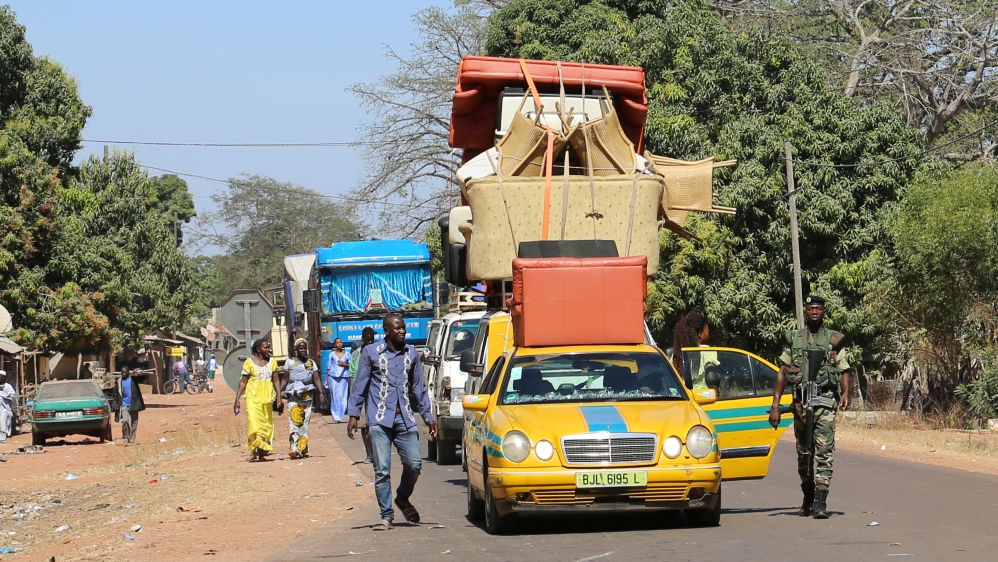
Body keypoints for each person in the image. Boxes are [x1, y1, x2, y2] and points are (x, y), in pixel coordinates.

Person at [347, 315, 437, 531]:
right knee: (382, 470)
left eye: (404, 327)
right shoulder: (371, 353)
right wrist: (353, 414)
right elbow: (360, 385)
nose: (402, 331)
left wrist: (428, 416)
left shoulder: (412, 353)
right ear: (386, 330)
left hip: (404, 417)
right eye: (398, 328)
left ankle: (403, 498)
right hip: (379, 419)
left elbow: (419, 388)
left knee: (414, 464)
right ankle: (386, 516)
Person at [768, 295, 852, 519]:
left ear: (824, 311)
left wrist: (845, 393)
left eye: (818, 308)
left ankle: (820, 502)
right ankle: (808, 496)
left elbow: (844, 369)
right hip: (800, 406)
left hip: (824, 404)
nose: (814, 311)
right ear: (805, 311)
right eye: (810, 308)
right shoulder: (795, 339)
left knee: (824, 454)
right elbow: (783, 372)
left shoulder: (833, 340)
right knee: (803, 454)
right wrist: (775, 405)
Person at [234, 339, 283, 461]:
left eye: (268, 347)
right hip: (253, 397)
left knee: (266, 425)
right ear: (257, 349)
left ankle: (261, 452)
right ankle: (253, 450)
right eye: (265, 347)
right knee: (254, 424)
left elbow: (276, 380)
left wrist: (279, 396)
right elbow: (243, 382)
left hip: (267, 398)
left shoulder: (272, 362)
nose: (268, 349)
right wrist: (237, 399)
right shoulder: (249, 363)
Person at [283, 338, 322, 459]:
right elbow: (285, 379)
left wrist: (321, 393)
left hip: (307, 398)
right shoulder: (289, 363)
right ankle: (294, 449)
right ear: (296, 349)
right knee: (294, 422)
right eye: (301, 348)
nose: (303, 350)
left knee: (304, 424)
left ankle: (303, 448)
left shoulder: (311, 363)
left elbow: (316, 379)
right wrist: (279, 393)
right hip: (293, 398)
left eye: (305, 348)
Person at [671, 311, 719, 390]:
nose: (709, 335)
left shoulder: (676, 354)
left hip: (683, 397)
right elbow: (711, 377)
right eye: (708, 332)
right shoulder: (706, 350)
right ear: (700, 333)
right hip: (703, 397)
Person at [351, 327, 378, 463]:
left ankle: (378, 452)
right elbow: (352, 376)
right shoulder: (356, 355)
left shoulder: (379, 352)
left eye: (372, 340)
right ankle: (369, 454)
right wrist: (353, 397)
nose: (370, 342)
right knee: (363, 425)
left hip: (376, 394)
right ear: (363, 340)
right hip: (361, 394)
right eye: (367, 340)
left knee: (376, 424)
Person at [326, 338, 351, 423]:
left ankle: (341, 416)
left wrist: (345, 364)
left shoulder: (347, 354)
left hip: (344, 377)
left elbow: (351, 365)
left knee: (343, 396)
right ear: (335, 345)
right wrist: (326, 380)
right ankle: (335, 416)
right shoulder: (332, 354)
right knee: (334, 397)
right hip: (333, 378)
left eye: (340, 342)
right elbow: (328, 367)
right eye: (337, 343)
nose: (339, 344)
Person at [119, 366, 146, 445]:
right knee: (125, 421)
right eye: (122, 373)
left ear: (128, 372)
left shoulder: (133, 380)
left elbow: (143, 378)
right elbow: (116, 393)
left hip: (134, 404)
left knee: (134, 422)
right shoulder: (119, 381)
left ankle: (132, 438)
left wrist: (138, 372)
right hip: (124, 404)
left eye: (125, 372)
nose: (123, 374)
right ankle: (125, 437)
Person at [0, 370, 14, 444]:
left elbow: (12, 396)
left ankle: (2, 438)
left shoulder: (8, 386)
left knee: (2, 423)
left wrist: (3, 392)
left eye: (1, 377)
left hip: (4, 408)